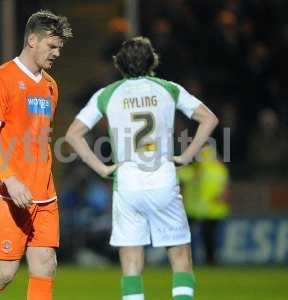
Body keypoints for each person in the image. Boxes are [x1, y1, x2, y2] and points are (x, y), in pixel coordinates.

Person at [65, 37, 218, 300]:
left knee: (132, 262)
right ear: (152, 61)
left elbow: (73, 134)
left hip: (127, 182)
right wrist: (188, 155)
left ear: (120, 64)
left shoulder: (107, 94)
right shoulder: (168, 89)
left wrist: (101, 168)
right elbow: (209, 119)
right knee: (180, 257)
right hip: (163, 178)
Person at [0, 10, 72, 300]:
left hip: (44, 193)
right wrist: (11, 180)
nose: (57, 53)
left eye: (60, 47)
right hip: (7, 192)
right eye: (52, 46)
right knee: (4, 273)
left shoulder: (51, 86)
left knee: (46, 265)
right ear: (31, 41)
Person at [178, 144, 229, 265]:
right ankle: (210, 261)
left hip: (194, 209)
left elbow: (181, 175)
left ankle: (191, 260)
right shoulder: (220, 169)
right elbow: (226, 190)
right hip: (213, 210)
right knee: (209, 238)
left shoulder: (196, 169)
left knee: (188, 238)